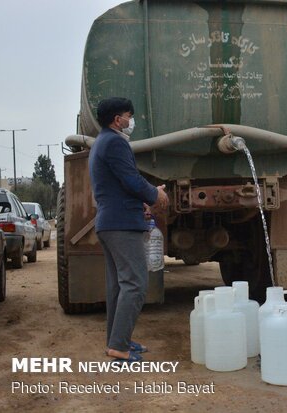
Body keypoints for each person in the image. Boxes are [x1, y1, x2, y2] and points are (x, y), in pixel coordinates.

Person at [89, 97, 169, 362]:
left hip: (111, 222)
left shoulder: (101, 142)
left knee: (119, 287)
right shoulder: (114, 142)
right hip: (121, 224)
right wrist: (154, 195)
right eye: (128, 115)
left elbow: (120, 185)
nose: (130, 120)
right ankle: (118, 346)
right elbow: (131, 180)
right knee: (135, 284)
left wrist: (143, 200)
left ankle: (117, 341)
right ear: (117, 119)